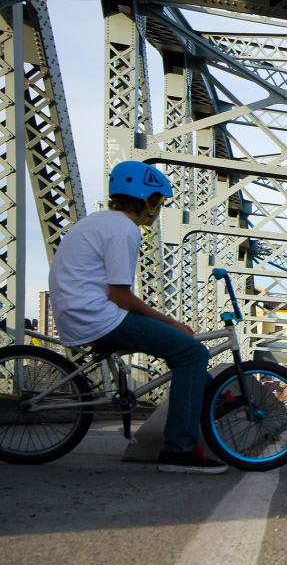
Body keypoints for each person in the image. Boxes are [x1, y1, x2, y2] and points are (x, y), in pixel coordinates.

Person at [48, 161, 226, 474]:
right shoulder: (124, 230)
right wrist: (172, 322)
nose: (159, 211)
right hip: (96, 317)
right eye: (160, 202)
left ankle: (216, 400)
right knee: (192, 351)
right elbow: (121, 296)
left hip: (81, 314)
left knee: (177, 349)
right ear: (150, 200)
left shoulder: (101, 221)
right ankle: (179, 450)